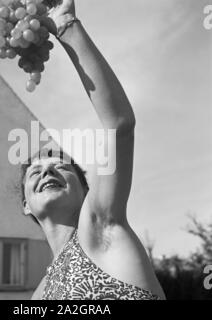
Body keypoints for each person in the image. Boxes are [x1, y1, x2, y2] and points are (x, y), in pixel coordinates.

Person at [21, 0, 166, 300]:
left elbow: (119, 124)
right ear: (25, 203)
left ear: (88, 190)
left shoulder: (101, 227)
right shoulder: (37, 297)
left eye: (61, 166)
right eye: (35, 171)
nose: (47, 169)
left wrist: (66, 25)